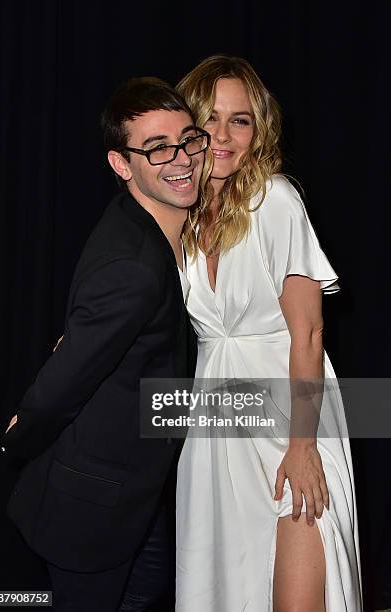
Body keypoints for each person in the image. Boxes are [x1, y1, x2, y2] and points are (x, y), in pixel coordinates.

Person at [0, 76, 209, 612]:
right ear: (122, 165)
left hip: (134, 491)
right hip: (92, 507)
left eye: (187, 139)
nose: (181, 158)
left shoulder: (138, 221)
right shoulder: (135, 267)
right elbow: (61, 383)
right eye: (157, 148)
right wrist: (18, 440)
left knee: (150, 582)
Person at [175, 55, 362, 611]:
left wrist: (303, 447)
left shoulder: (274, 200)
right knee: (229, 591)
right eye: (210, 118)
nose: (224, 135)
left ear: (259, 130)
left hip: (291, 421)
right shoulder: (180, 216)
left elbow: (308, 334)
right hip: (217, 426)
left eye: (241, 120)